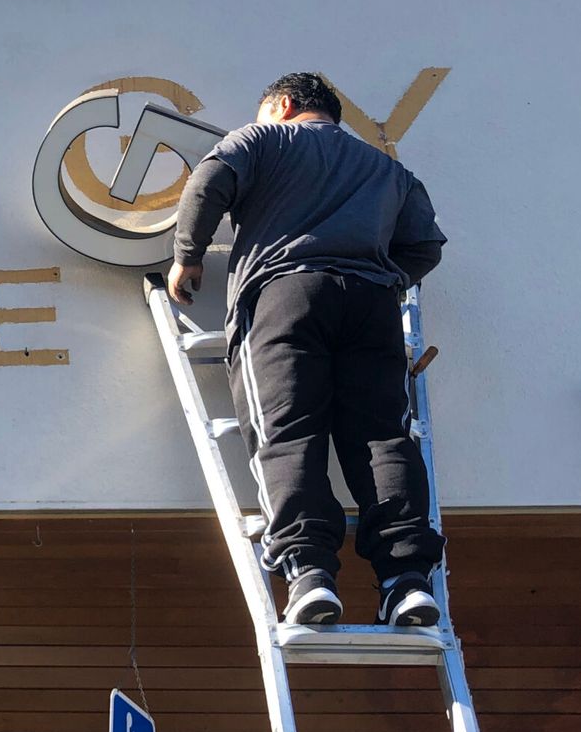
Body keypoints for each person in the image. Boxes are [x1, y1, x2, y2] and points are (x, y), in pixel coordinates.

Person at [167, 72, 447, 627]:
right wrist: (387, 279)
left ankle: (309, 572)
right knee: (383, 437)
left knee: (286, 430)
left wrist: (188, 254)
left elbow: (210, 180)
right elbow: (426, 245)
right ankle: (407, 580)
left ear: (284, 104)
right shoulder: (389, 170)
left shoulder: (263, 139)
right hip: (371, 306)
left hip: (285, 294)